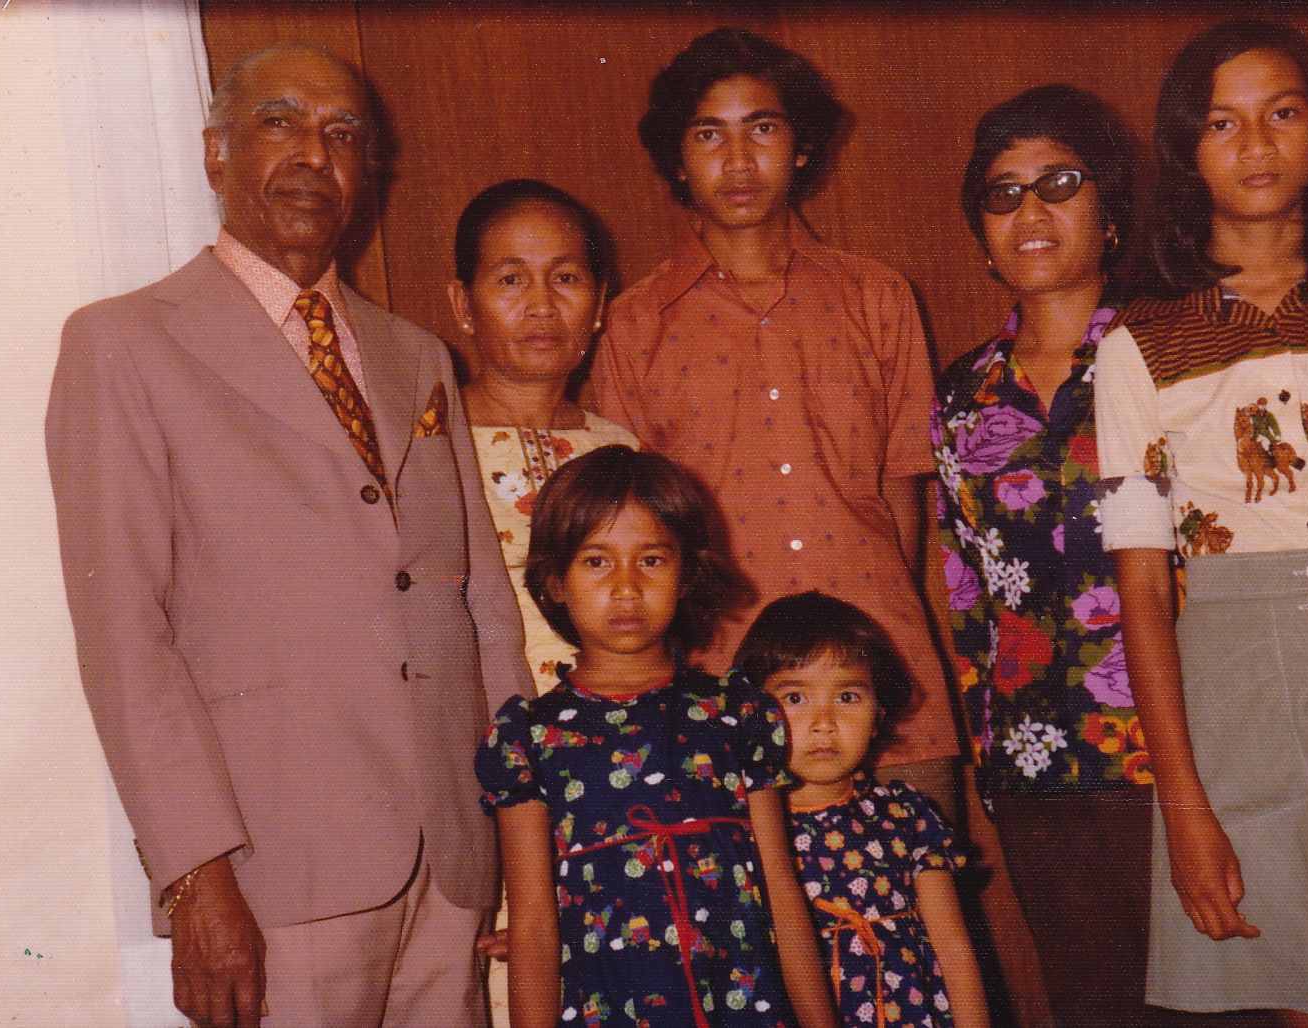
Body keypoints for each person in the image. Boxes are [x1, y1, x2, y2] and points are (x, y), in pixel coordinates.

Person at [45, 43, 532, 1028]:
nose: (315, 152)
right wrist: (195, 872)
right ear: (216, 151)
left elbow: (480, 608)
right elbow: (124, 635)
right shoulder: (124, 344)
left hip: (454, 869)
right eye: (281, 121)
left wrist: (517, 831)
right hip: (273, 878)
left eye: (343, 133)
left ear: (367, 170)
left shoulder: (420, 356)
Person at [1094, 20, 1308, 1027]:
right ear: (1184, 151)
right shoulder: (1139, 346)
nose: (1256, 144)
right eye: (1221, 123)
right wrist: (1184, 806)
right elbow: (1141, 586)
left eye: (1282, 113)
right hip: (1244, 698)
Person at [585, 28, 958, 800]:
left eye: (762, 127)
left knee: (915, 907)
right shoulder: (633, 323)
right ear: (678, 160)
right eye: (709, 134)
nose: (739, 158)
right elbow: (633, 527)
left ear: (801, 147)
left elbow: (902, 495)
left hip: (881, 667)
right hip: (721, 680)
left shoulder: (877, 297)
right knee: (749, 917)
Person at [933, 85, 1197, 1028]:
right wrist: (986, 754)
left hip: (1180, 751)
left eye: (1060, 183)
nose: (1030, 212)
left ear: (1113, 211)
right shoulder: (961, 397)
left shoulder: (1175, 358)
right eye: (1002, 195)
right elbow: (967, 593)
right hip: (1037, 763)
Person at [475, 445, 837, 1028]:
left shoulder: (735, 714)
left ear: (686, 575)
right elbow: (537, 928)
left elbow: (782, 892)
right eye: (597, 561)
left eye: (651, 560)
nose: (626, 587)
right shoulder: (528, 739)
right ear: (555, 583)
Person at [735, 591, 990, 1028]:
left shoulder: (906, 815)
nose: (824, 721)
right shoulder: (746, 830)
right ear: (752, 713)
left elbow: (953, 947)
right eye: (795, 698)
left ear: (877, 715)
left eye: (848, 697)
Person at [450, 179, 639, 696]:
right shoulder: (426, 446)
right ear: (463, 305)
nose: (541, 305)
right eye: (511, 280)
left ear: (599, 302)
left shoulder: (622, 452)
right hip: (479, 730)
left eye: (565, 278)